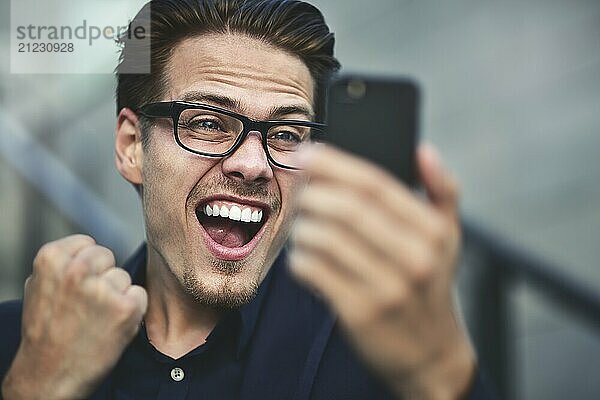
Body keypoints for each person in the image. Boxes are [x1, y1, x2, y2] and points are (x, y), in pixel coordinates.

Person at [0, 0, 494, 399]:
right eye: (210, 123)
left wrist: (444, 376)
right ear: (132, 147)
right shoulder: (21, 343)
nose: (254, 165)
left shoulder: (382, 357)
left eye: (287, 133)